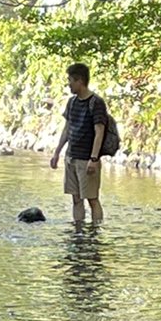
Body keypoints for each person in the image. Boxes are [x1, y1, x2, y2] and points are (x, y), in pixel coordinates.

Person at [49, 61, 108, 226]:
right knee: (76, 199)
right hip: (71, 158)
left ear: (80, 81)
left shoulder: (96, 103)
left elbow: (99, 132)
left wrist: (94, 159)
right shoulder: (72, 102)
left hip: (87, 159)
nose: (68, 84)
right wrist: (57, 153)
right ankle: (78, 231)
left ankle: (96, 233)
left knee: (92, 199)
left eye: (70, 80)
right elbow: (67, 129)